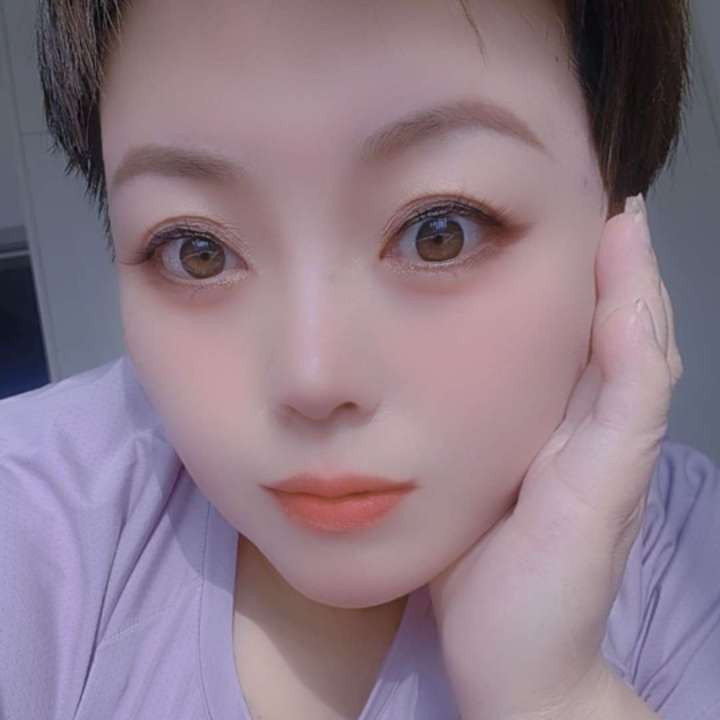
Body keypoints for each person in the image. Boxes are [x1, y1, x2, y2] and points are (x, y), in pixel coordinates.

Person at [2, 0, 718, 718]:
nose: (314, 379)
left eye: (440, 232)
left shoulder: (689, 559)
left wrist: (554, 696)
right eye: (198, 252)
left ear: (617, 216)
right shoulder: (31, 520)